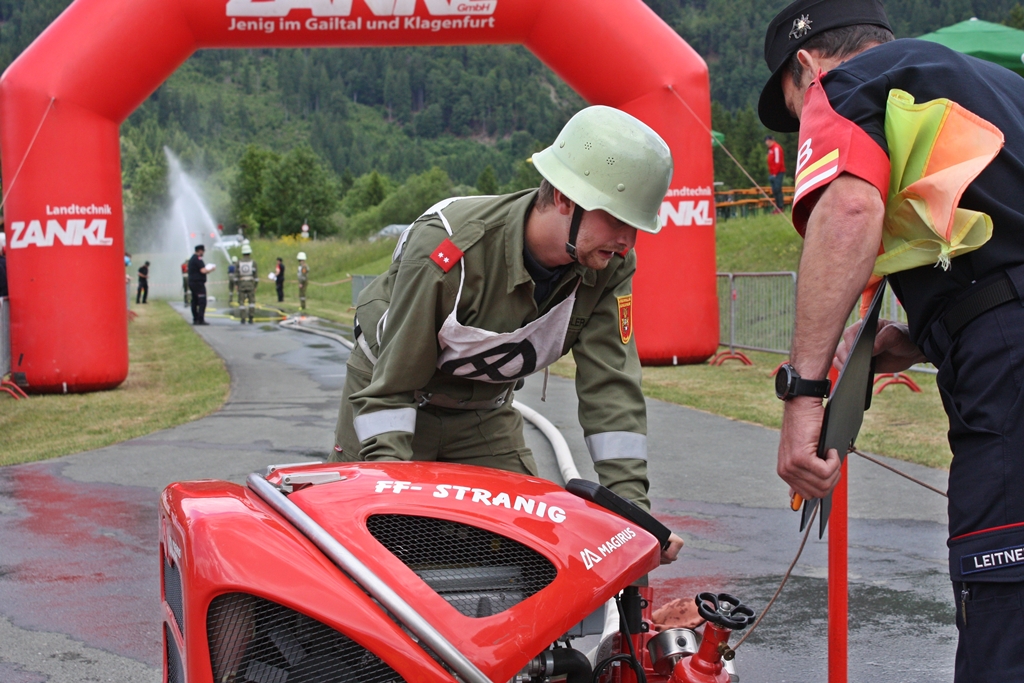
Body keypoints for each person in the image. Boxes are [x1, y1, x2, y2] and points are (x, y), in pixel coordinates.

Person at [759, 1, 1024, 679]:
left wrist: (803, 394)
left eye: (795, 108)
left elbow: (850, 207)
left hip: (1008, 379)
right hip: (993, 328)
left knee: (1004, 609)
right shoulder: (994, 87)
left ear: (805, 65)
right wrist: (923, 335)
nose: (805, 122)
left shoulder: (845, 86)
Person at [332, 105, 684, 564]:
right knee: (369, 550)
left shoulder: (608, 266)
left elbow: (610, 390)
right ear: (564, 198)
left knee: (530, 548)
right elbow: (391, 389)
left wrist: (633, 516)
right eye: (617, 220)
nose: (627, 242)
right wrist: (388, 496)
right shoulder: (448, 248)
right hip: (391, 399)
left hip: (483, 413)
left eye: (635, 227)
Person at [187, 245, 215, 325]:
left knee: (194, 301)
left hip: (192, 282)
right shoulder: (198, 259)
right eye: (203, 251)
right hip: (198, 283)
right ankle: (200, 319)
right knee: (202, 301)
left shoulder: (192, 259)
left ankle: (195, 319)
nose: (204, 253)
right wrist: (211, 269)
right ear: (200, 251)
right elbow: (202, 270)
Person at [236, 243, 258, 324]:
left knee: (241, 302)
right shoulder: (253, 262)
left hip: (241, 284)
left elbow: (236, 275)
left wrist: (236, 285)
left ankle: (243, 318)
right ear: (249, 253)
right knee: (251, 302)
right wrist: (255, 286)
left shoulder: (238, 262)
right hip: (250, 284)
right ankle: (251, 318)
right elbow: (256, 277)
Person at [764, 135, 786, 212]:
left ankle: (780, 207)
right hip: (772, 173)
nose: (767, 143)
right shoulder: (770, 149)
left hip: (778, 173)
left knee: (777, 189)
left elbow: (777, 161)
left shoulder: (776, 148)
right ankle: (777, 207)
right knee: (774, 191)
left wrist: (775, 173)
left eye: (768, 141)